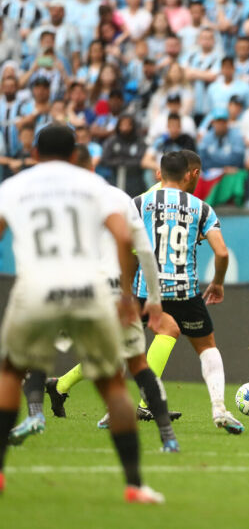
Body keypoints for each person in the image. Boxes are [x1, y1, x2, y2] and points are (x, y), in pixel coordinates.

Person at [0, 125, 164, 502]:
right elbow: (125, 238)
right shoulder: (96, 188)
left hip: (36, 288)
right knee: (113, 385)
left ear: (36, 152)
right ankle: (135, 485)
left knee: (10, 373)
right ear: (75, 155)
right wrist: (127, 295)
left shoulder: (16, 185)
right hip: (88, 291)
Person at [12, 145, 180, 449]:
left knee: (32, 354)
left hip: (59, 286)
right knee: (132, 364)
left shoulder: (41, 194)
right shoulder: (117, 197)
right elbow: (140, 249)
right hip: (112, 291)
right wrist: (147, 297)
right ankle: (165, 438)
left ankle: (36, 411)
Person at [133, 151, 243, 433]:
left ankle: (116, 407)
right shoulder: (201, 208)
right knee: (206, 346)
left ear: (159, 174)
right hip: (184, 290)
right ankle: (219, 408)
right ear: (187, 175)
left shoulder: (139, 203)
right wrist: (217, 281)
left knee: (125, 343)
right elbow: (221, 252)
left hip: (147, 290)